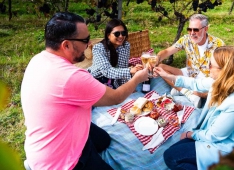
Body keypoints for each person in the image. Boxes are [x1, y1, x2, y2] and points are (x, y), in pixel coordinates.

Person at [21, 12, 149, 170]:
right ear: (66, 45)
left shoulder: (38, 59)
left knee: (104, 141)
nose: (89, 45)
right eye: (85, 41)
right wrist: (137, 78)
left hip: (54, 137)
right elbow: (116, 97)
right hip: (59, 162)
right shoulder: (73, 76)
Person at [154, 45, 234, 170]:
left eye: (211, 65)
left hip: (226, 149)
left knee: (171, 157)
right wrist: (168, 76)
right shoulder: (220, 82)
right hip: (211, 136)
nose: (207, 67)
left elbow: (214, 136)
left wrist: (190, 134)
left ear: (224, 71)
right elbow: (195, 83)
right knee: (173, 150)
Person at [156, 14, 225, 107]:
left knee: (216, 90)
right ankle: (188, 93)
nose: (192, 33)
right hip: (190, 73)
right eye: (189, 29)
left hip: (207, 79)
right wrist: (157, 58)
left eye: (196, 30)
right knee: (160, 67)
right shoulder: (186, 39)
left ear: (206, 29)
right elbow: (167, 51)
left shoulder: (218, 45)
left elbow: (223, 71)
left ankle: (182, 89)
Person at [88, 19, 143, 89]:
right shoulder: (99, 48)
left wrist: (126, 88)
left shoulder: (125, 46)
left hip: (114, 81)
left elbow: (123, 67)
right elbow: (107, 71)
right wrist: (130, 70)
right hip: (97, 80)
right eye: (117, 34)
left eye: (123, 33)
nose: (121, 36)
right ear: (108, 35)